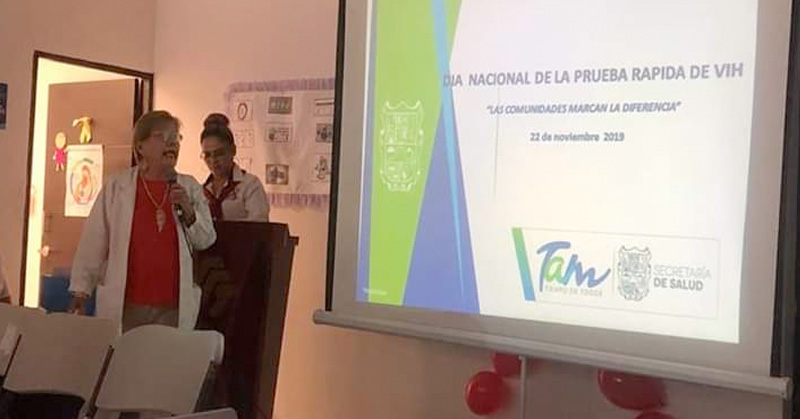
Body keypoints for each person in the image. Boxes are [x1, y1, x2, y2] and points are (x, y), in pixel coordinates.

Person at [69, 110, 216, 332]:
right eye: (162, 136)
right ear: (140, 147)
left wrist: (188, 211)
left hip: (173, 306)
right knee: (125, 353)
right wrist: (81, 290)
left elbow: (206, 239)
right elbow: (94, 240)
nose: (172, 143)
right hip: (127, 304)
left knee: (167, 355)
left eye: (176, 138)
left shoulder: (189, 187)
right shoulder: (117, 187)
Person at [200, 113, 269, 221]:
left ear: (233, 150)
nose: (213, 160)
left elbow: (259, 224)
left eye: (219, 153)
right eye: (207, 155)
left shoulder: (250, 185)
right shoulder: (201, 191)